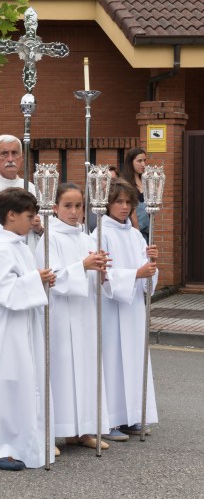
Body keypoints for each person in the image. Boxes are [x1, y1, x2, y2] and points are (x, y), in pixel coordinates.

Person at [0, 188, 56, 471]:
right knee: (5, 381)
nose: (34, 221)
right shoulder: (0, 248)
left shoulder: (18, 244)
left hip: (23, 321)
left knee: (23, 381)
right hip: (7, 322)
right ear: (10, 216)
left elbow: (22, 283)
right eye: (29, 216)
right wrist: (35, 280)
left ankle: (20, 442)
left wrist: (40, 281)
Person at [37, 182, 110, 452]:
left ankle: (82, 430)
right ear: (55, 208)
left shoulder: (87, 237)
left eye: (79, 206)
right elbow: (51, 276)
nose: (74, 211)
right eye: (67, 206)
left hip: (86, 313)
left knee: (86, 370)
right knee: (62, 371)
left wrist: (102, 274)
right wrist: (83, 266)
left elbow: (96, 275)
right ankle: (52, 433)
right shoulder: (49, 237)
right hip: (61, 315)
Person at [94, 178, 158, 441]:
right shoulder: (100, 232)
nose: (123, 206)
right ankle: (108, 420)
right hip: (111, 307)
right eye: (118, 201)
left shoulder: (134, 234)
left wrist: (150, 264)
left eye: (128, 202)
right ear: (107, 204)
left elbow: (147, 272)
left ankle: (132, 415)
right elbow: (103, 274)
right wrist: (137, 273)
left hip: (132, 309)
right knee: (111, 360)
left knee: (133, 360)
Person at [0, 134, 43, 248]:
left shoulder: (31, 188)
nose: (10, 159)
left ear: (21, 157)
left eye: (14, 153)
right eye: (4, 154)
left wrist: (39, 228)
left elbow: (45, 229)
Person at [121, 147, 149, 240]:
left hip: (146, 230)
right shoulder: (125, 182)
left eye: (144, 160)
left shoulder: (145, 180)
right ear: (130, 162)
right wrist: (136, 229)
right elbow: (130, 208)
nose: (143, 164)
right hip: (132, 231)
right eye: (139, 161)